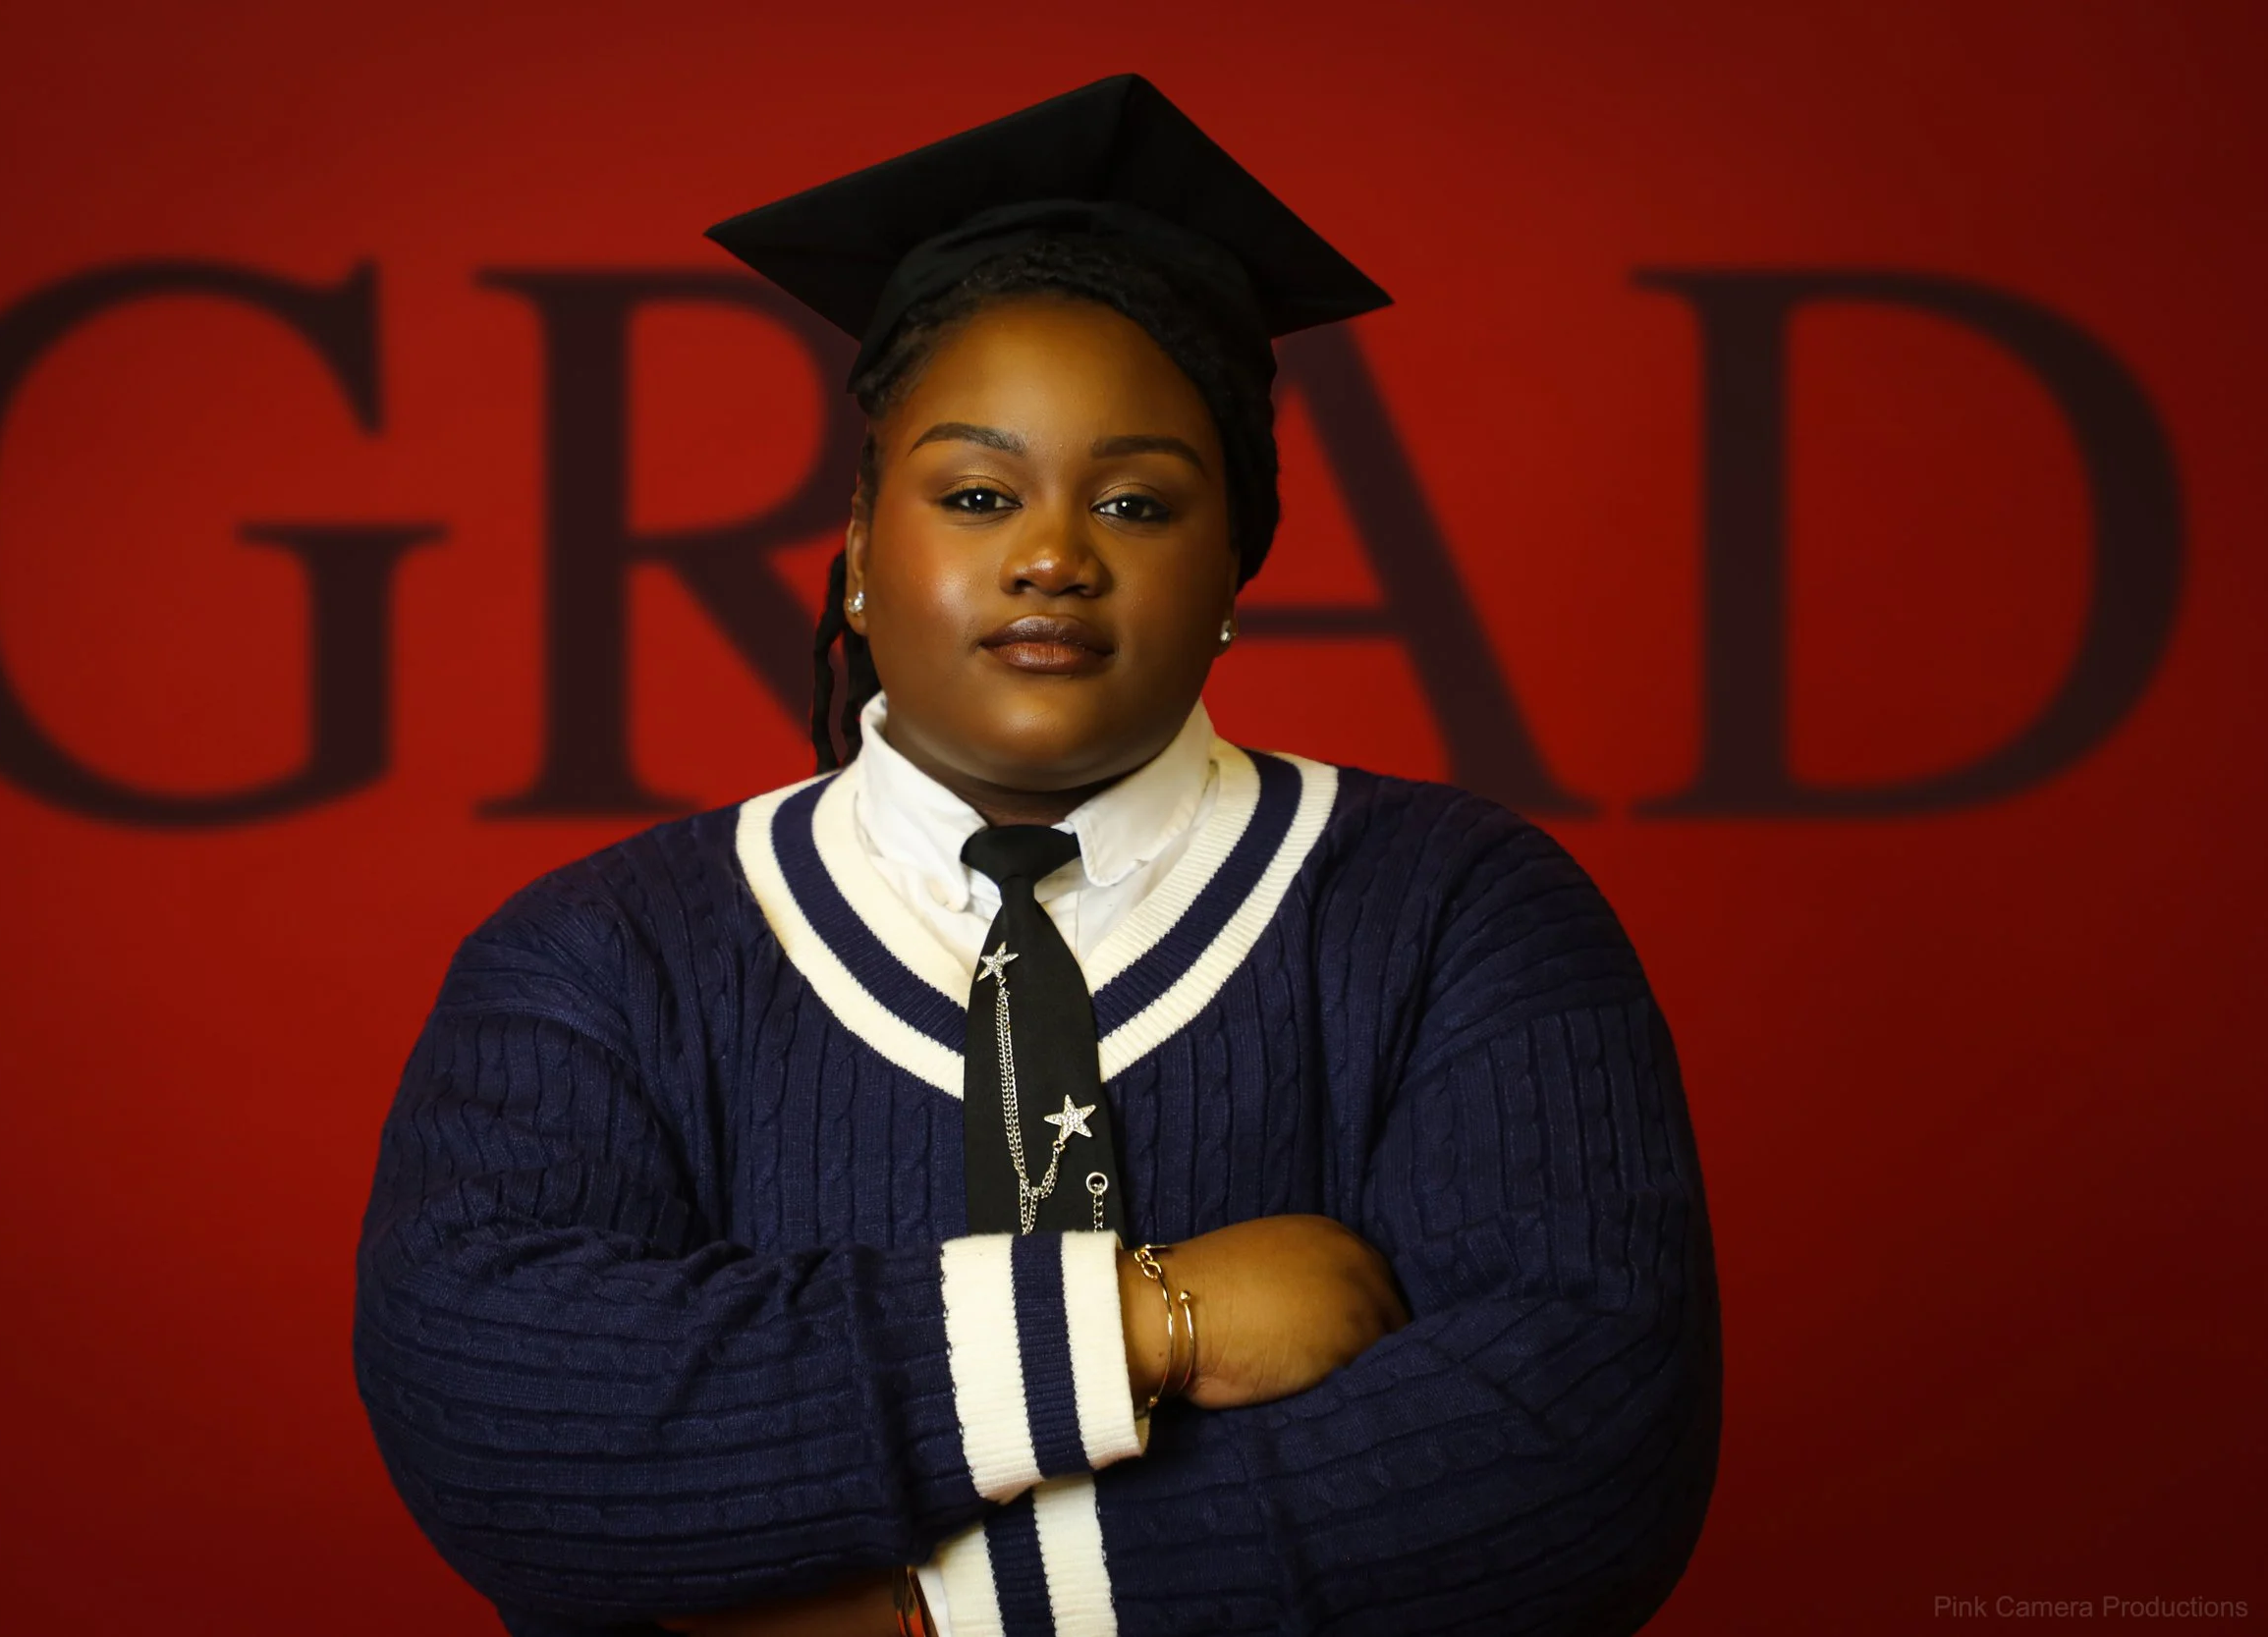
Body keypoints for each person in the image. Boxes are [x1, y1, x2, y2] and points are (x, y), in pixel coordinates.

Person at [353, 74, 1722, 1637]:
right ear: (863, 551)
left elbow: (1575, 1447)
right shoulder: (606, 953)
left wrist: (915, 1618)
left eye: (1137, 500)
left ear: (1234, 569)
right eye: (979, 491)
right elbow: (497, 1406)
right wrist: (1135, 1322)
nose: (1055, 551)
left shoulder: (1455, 911)